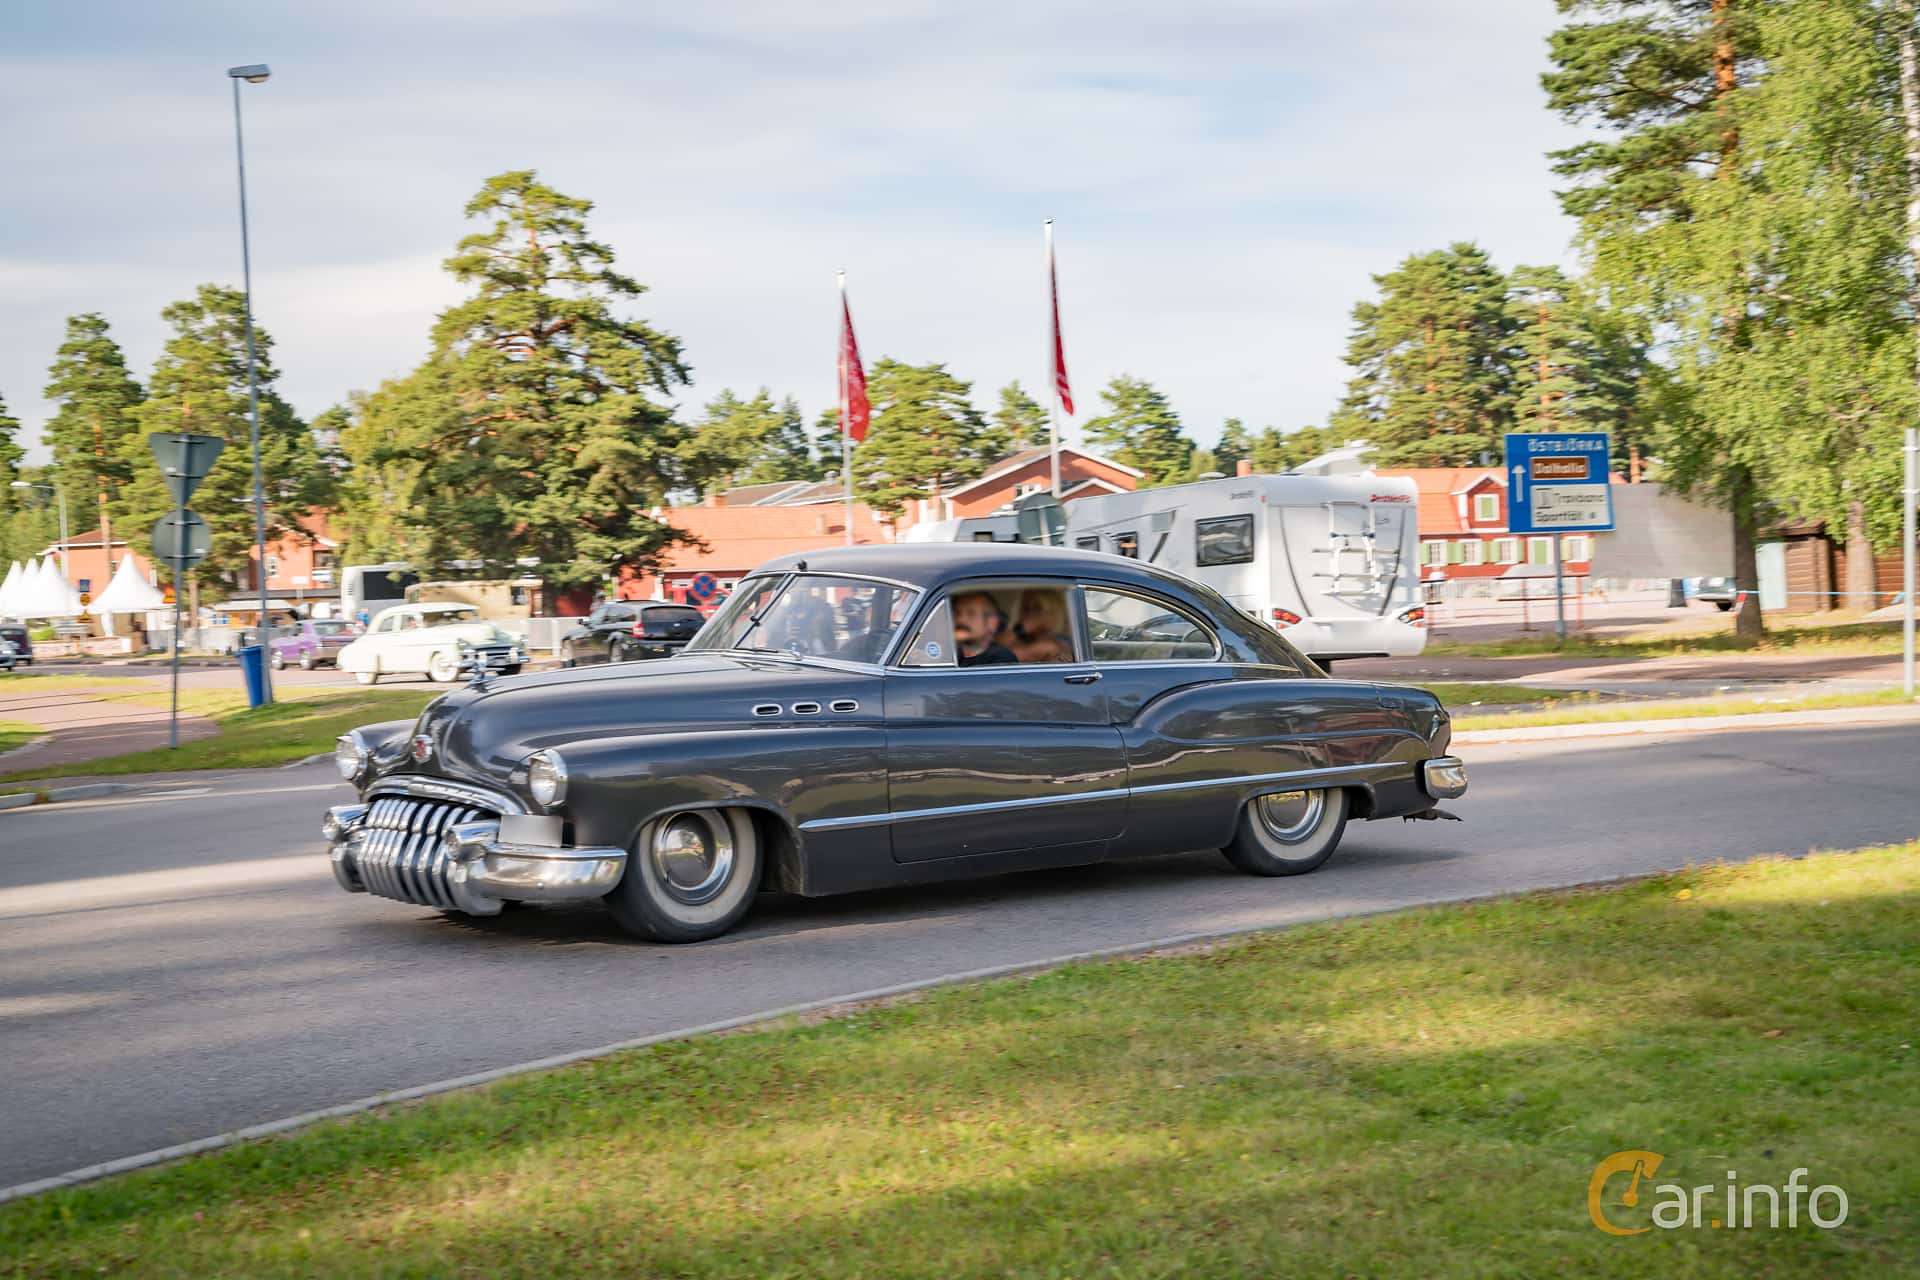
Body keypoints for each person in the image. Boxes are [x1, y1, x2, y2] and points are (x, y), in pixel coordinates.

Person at [1006, 589, 1072, 663]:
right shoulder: (1025, 639)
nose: (1030, 614)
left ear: (1052, 614)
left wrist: (1025, 626)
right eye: (1025, 608)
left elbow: (1000, 652)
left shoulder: (1050, 645)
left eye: (1037, 608)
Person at [951, 590, 1015, 666]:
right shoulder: (948, 655)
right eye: (957, 613)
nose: (961, 619)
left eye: (971, 613)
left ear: (992, 623)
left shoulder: (1000, 658)